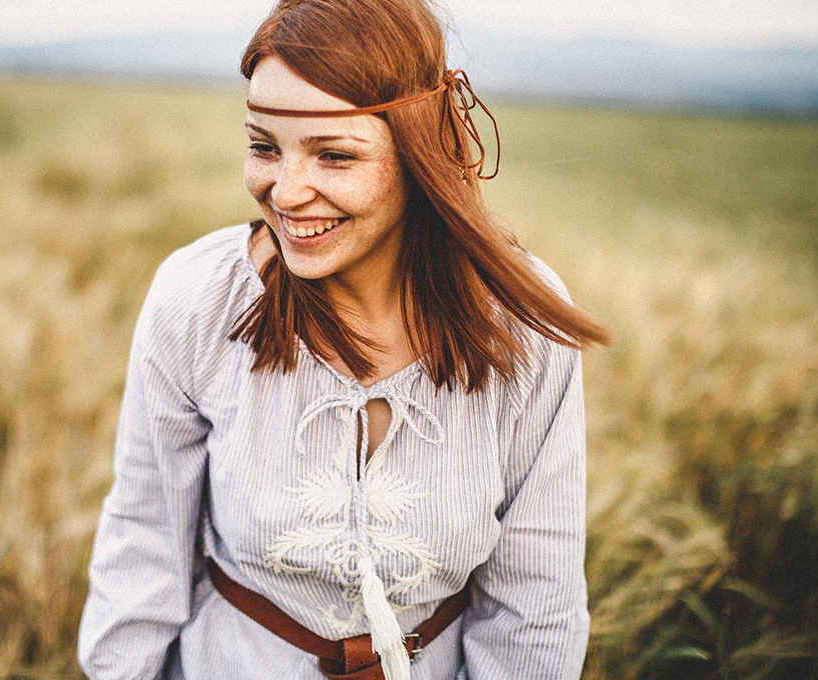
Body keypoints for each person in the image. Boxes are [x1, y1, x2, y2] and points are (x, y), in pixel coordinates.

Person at [78, 0, 610, 678]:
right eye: (264, 147)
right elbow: (142, 546)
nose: (288, 191)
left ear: (420, 152)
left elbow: (536, 602)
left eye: (333, 155)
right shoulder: (196, 302)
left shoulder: (521, 325)